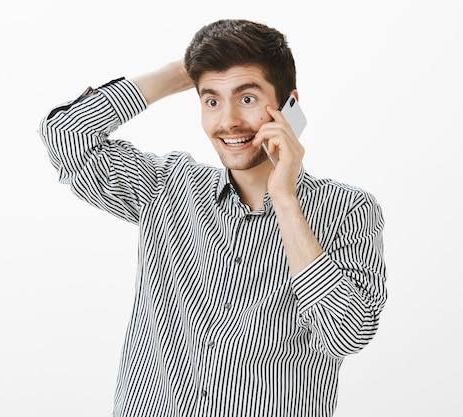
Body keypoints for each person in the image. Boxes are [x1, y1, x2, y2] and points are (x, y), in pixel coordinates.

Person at [38, 18, 387, 417]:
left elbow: (348, 333)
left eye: (248, 98)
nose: (228, 121)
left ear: (290, 106)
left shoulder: (349, 210)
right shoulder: (167, 186)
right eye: (212, 100)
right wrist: (179, 74)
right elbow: (64, 136)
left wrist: (286, 200)